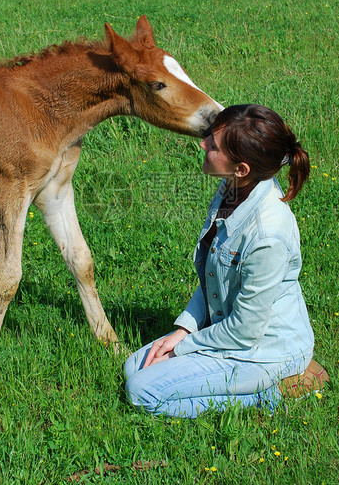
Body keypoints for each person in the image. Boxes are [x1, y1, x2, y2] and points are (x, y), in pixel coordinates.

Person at [124, 104, 328, 418]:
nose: (203, 144)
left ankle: (278, 391)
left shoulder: (267, 236)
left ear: (241, 168)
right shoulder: (232, 190)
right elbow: (213, 277)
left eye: (214, 145)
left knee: (142, 392)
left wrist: (181, 348)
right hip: (228, 332)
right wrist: (183, 330)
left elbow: (245, 331)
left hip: (263, 352)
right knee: (132, 368)